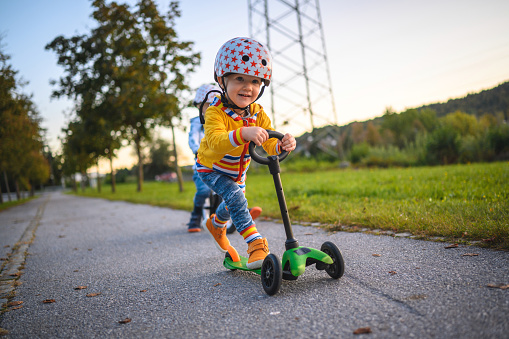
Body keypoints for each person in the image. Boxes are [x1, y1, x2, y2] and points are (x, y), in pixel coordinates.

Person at [196, 37, 296, 269]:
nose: (247, 87)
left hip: (238, 171)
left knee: (233, 201)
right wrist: (243, 133)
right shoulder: (215, 113)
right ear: (222, 79)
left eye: (255, 81)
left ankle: (216, 224)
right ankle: (255, 244)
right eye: (239, 79)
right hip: (212, 169)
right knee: (236, 197)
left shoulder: (257, 113)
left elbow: (269, 143)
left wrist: (282, 144)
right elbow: (216, 142)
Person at [187, 84, 263, 232]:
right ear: (199, 105)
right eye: (207, 105)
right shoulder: (197, 122)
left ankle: (238, 211)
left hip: (224, 163)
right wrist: (196, 149)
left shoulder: (223, 116)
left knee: (234, 191)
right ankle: (195, 216)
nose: (210, 108)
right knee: (203, 191)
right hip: (204, 163)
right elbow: (192, 138)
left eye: (213, 104)